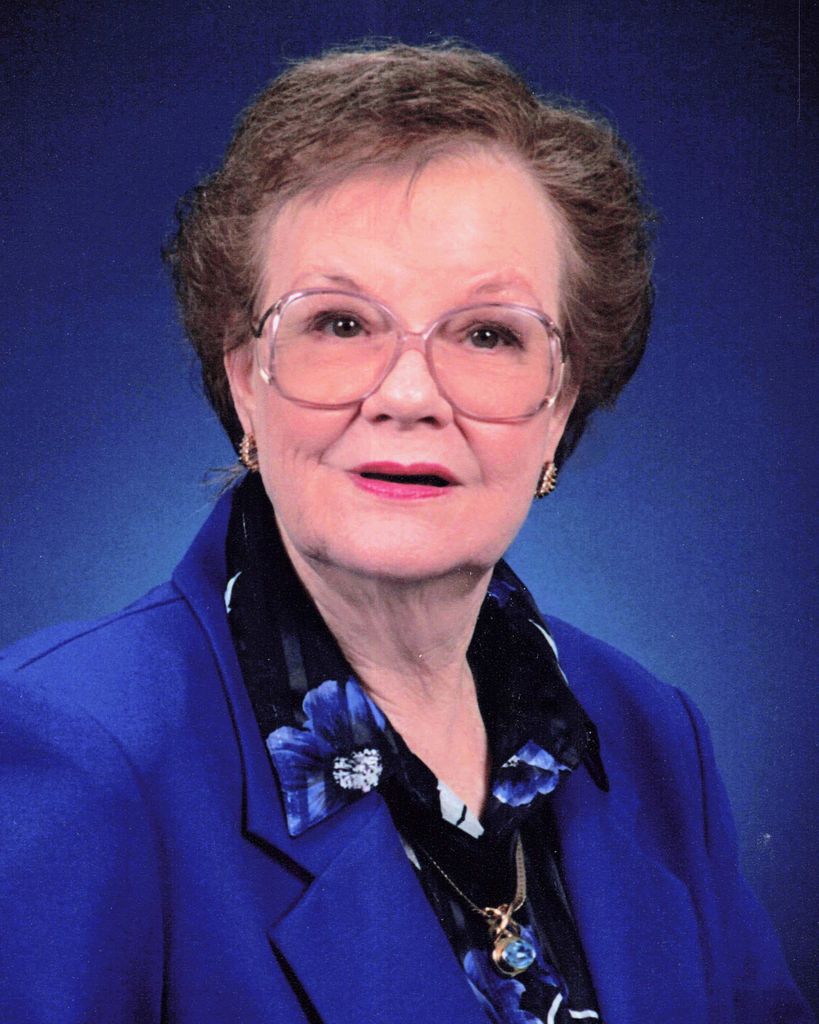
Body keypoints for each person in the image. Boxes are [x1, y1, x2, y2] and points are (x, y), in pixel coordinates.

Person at [0, 43, 810, 1024]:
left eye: (488, 334)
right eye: (341, 324)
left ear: (559, 407)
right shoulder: (77, 753)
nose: (409, 395)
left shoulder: (650, 734)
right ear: (247, 382)